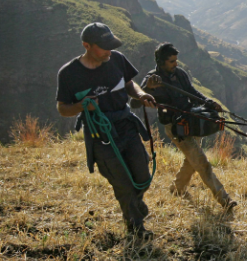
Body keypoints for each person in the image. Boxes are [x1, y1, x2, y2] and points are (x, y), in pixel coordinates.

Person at [56, 22, 157, 239]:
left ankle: (135, 204)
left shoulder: (117, 59)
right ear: (87, 45)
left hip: (126, 125)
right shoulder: (69, 73)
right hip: (100, 134)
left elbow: (130, 84)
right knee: (122, 182)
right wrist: (81, 105)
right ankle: (136, 227)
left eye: (111, 46)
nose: (108, 52)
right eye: (103, 48)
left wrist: (140, 95)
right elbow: (62, 108)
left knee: (142, 175)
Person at [141, 43, 237, 215]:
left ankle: (176, 189)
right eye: (171, 61)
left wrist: (209, 102)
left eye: (176, 60)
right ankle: (225, 200)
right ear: (161, 62)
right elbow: (137, 99)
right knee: (201, 162)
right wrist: (147, 88)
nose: (175, 64)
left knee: (191, 161)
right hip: (176, 127)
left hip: (192, 120)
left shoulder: (180, 74)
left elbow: (192, 92)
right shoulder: (152, 79)